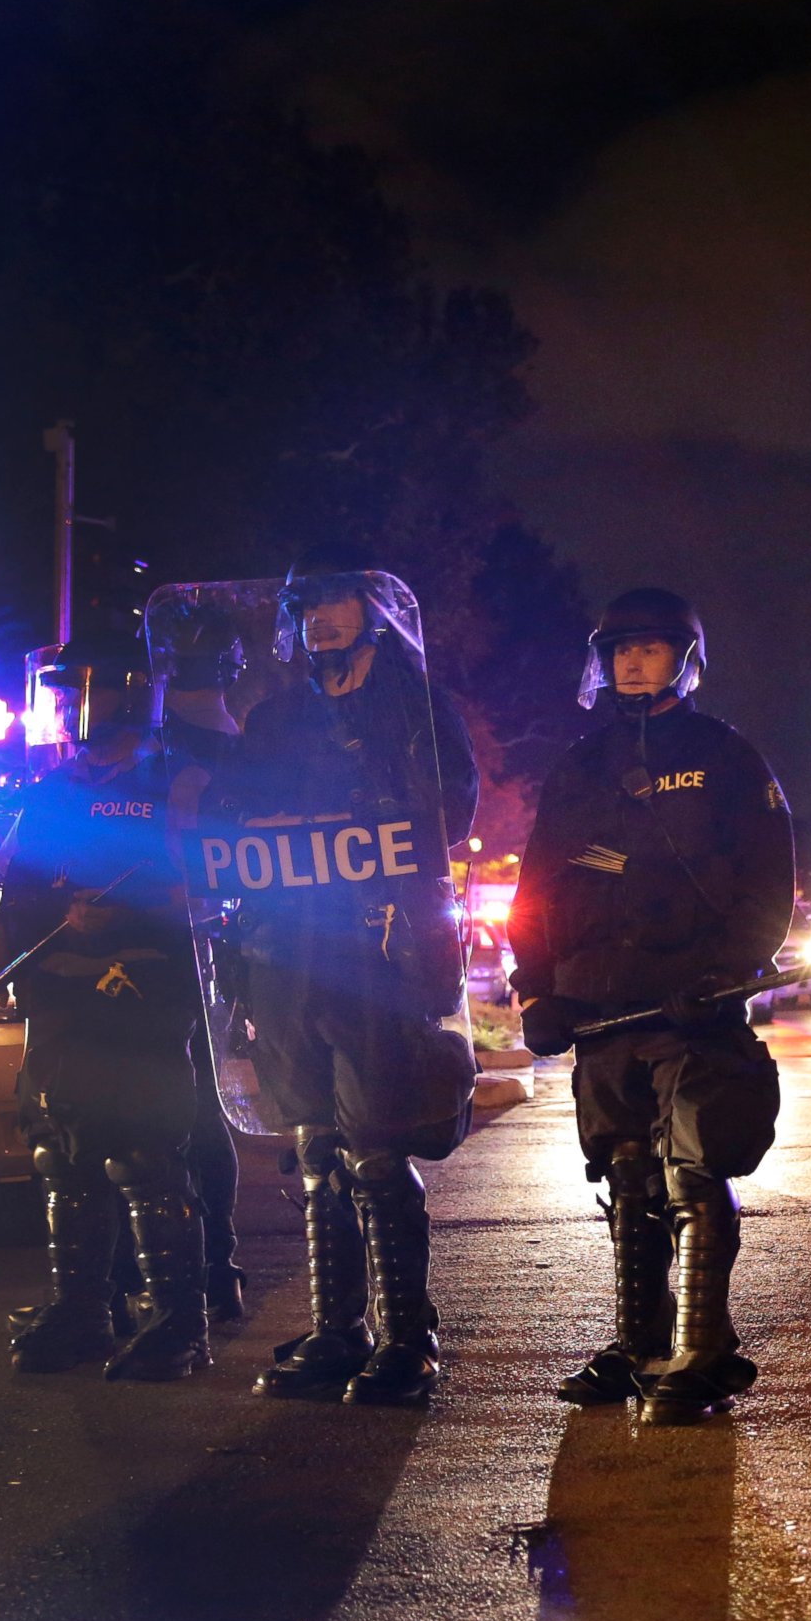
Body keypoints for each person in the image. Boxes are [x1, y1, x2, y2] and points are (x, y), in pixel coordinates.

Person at [511, 588, 796, 1419]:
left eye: (651, 648)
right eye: (621, 650)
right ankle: (639, 1346)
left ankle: (702, 1349)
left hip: (692, 1000)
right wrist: (536, 986)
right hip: (598, 1002)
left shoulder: (727, 755)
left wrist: (725, 969)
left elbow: (766, 877)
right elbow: (538, 882)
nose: (633, 663)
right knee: (628, 1172)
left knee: (696, 1166)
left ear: (686, 659)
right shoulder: (580, 762)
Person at [212, 547, 480, 1407]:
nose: (320, 620)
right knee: (314, 1143)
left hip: (381, 951)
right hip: (288, 950)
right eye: (307, 608)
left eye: (336, 603)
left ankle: (409, 1335)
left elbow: (456, 810)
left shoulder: (413, 706)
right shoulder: (276, 717)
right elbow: (236, 815)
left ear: (370, 612)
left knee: (375, 1140)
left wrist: (370, 815)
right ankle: (337, 1327)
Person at [0, 634, 210, 1381]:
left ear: (120, 694)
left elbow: (207, 891)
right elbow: (19, 892)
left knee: (140, 1152)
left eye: (72, 695)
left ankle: (176, 1324)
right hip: (60, 993)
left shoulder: (179, 784)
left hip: (142, 987)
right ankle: (81, 1312)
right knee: (61, 1151)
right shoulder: (55, 786)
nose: (61, 710)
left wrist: (125, 914)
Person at [154, 595, 250, 1321]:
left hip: (186, 935)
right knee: (189, 1107)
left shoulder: (192, 751)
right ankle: (211, 1265)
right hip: (195, 934)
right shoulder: (231, 742)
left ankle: (208, 1267)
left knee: (187, 1108)